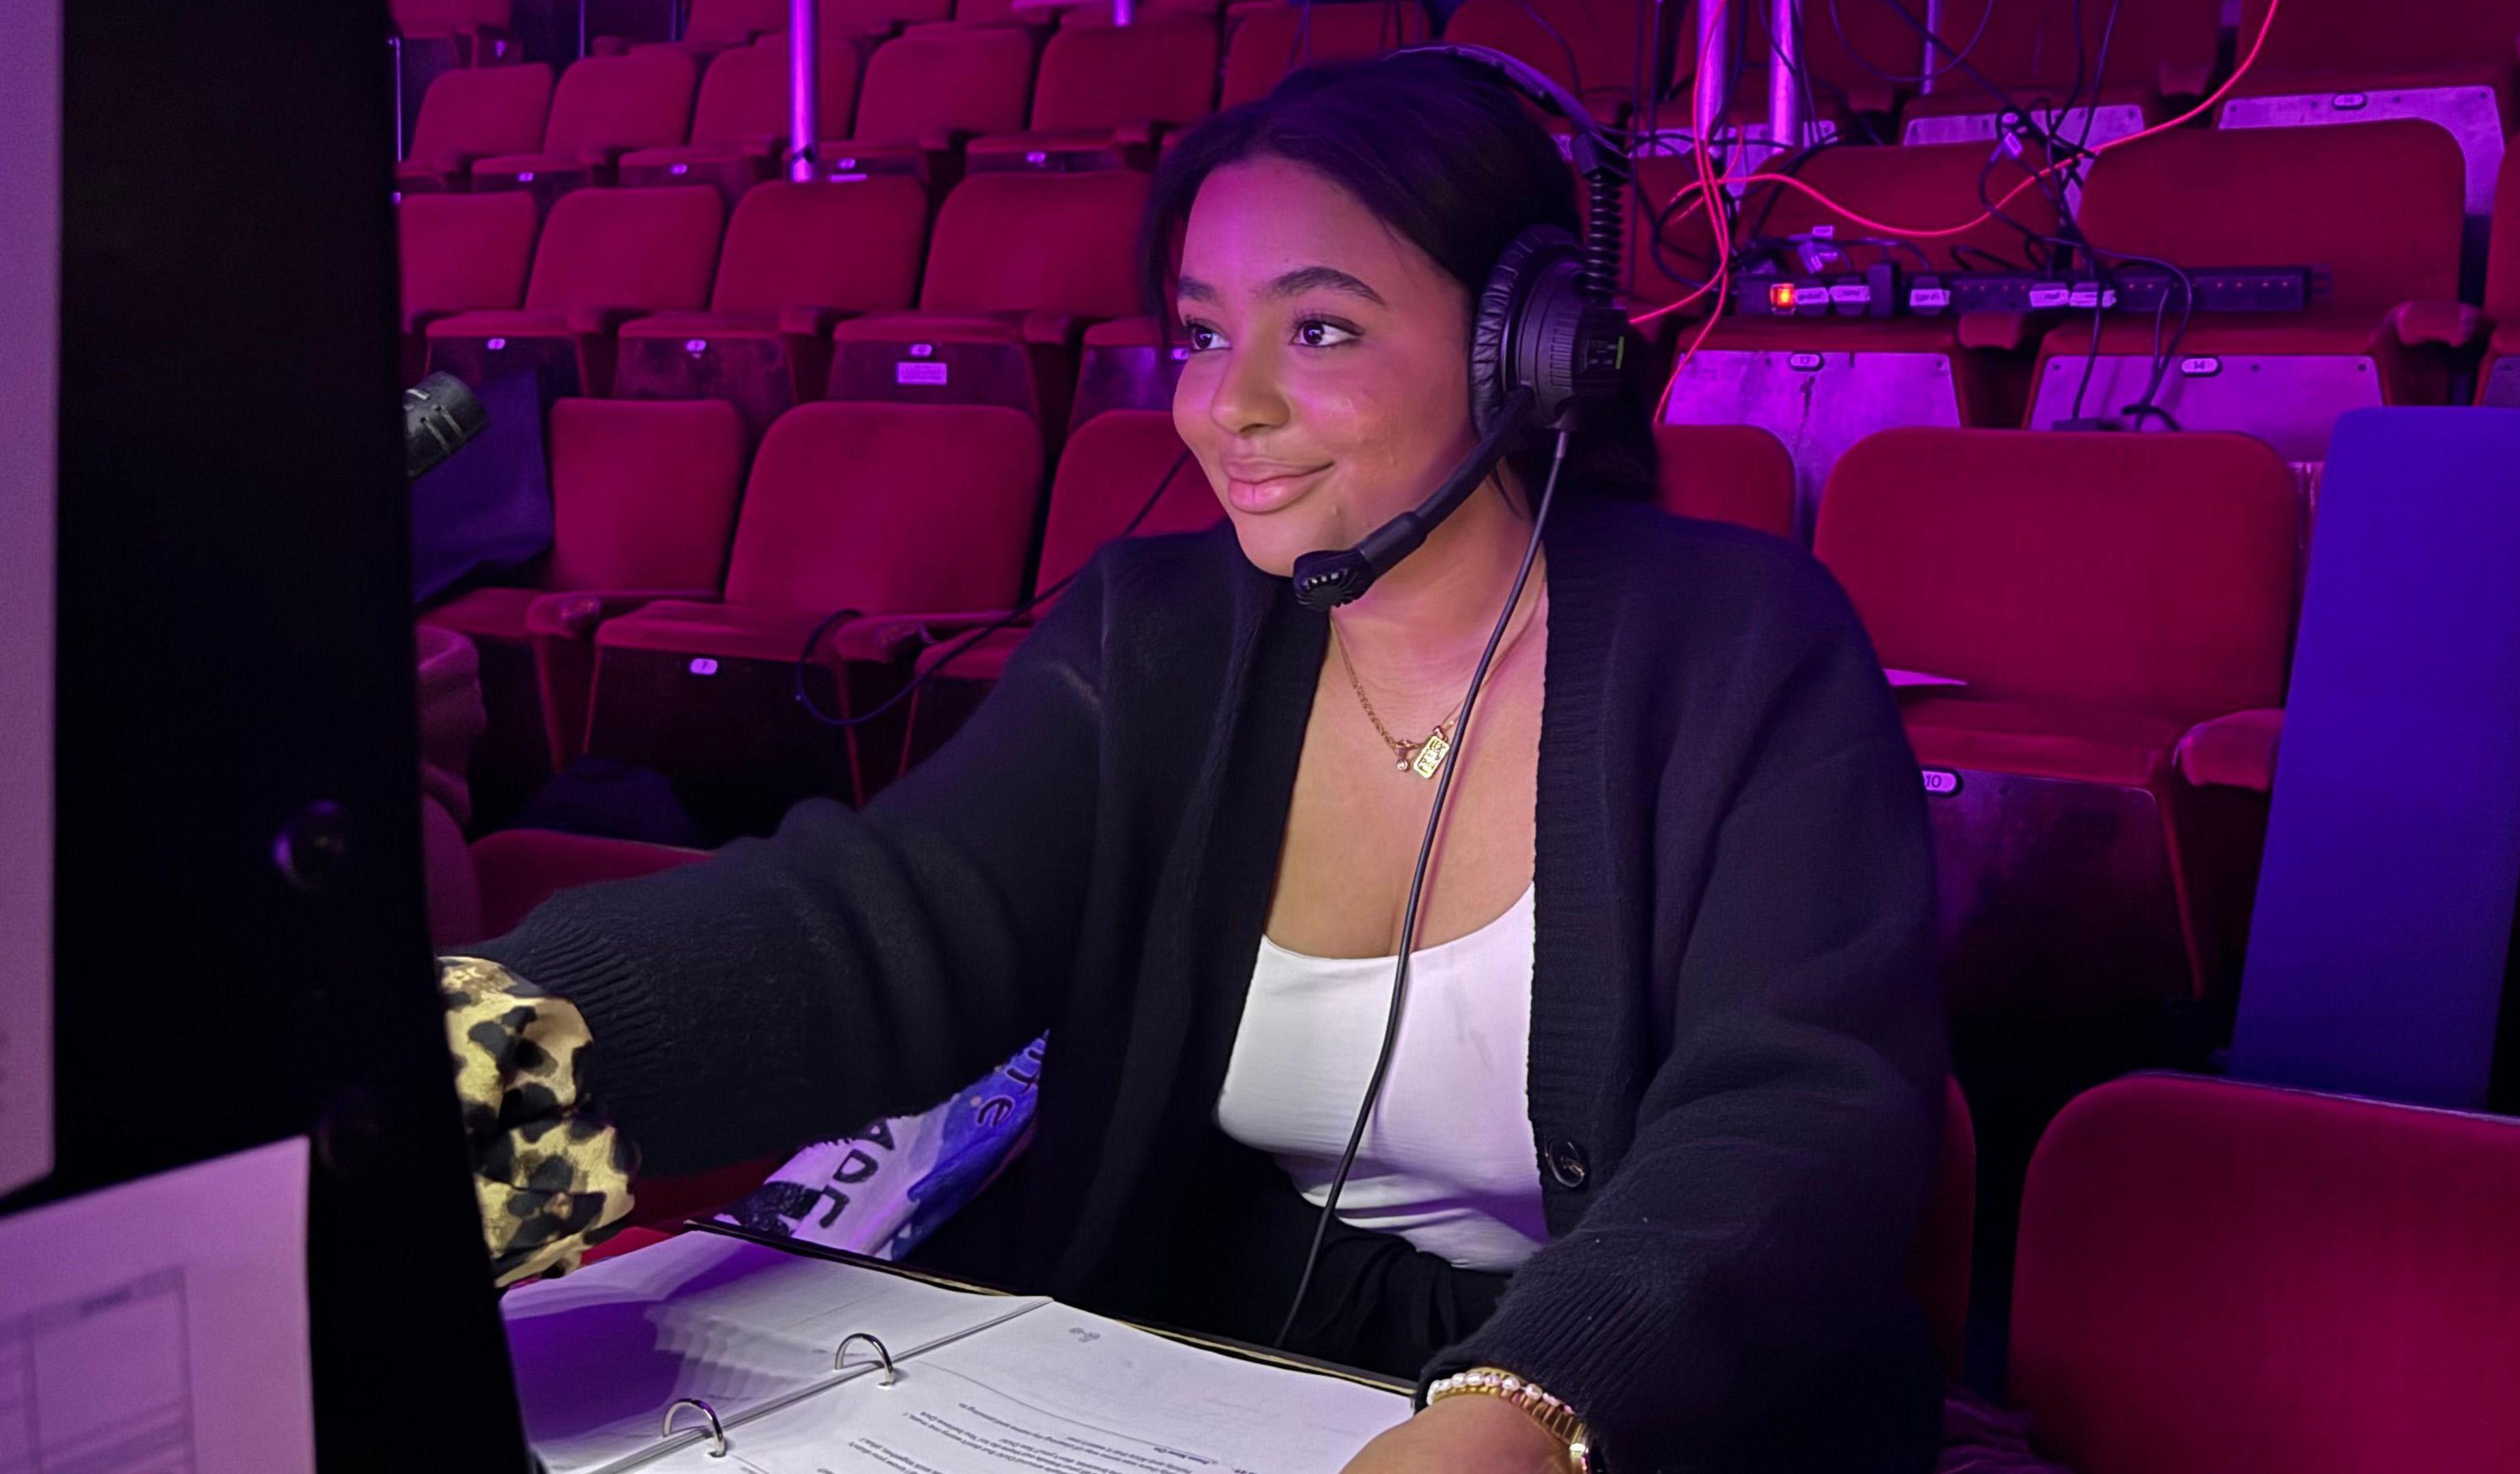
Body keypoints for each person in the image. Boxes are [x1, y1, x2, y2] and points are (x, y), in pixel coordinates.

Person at [445, 53, 1947, 1473]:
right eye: (1206, 331)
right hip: (1223, 1369)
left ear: (1530, 355)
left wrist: (1534, 1401)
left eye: (1324, 329)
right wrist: (484, 1059)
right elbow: (880, 923)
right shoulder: (1150, 635)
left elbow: (1797, 1105)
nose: (1231, 405)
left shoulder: (1748, 644)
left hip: (1634, 1410)